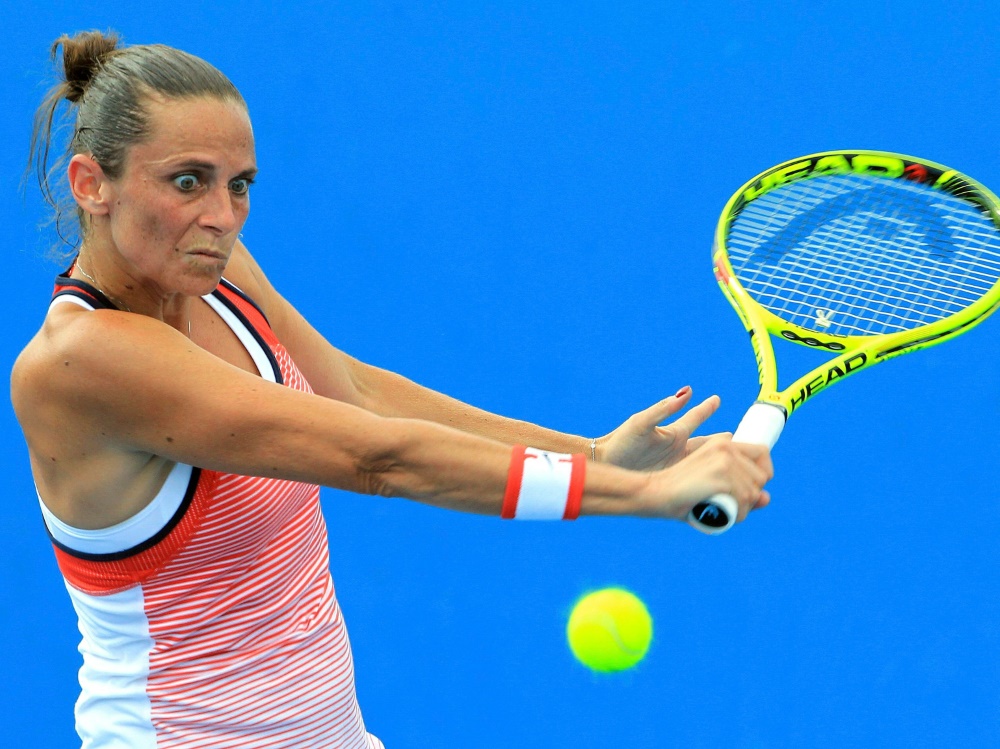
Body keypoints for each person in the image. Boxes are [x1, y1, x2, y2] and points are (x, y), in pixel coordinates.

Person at [12, 30, 774, 749]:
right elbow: (379, 457)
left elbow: (357, 394)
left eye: (238, 185)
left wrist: (599, 452)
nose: (221, 216)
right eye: (188, 182)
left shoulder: (212, 270)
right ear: (92, 185)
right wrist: (636, 496)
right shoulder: (83, 362)